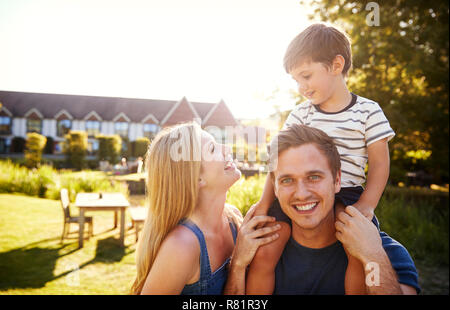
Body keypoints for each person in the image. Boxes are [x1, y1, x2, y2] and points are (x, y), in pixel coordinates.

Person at [247, 23, 396, 294]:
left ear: (336, 65)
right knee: (266, 250)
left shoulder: (368, 112)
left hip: (349, 194)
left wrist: (367, 205)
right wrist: (265, 201)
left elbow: (379, 164)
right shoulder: (302, 114)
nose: (302, 87)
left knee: (357, 255)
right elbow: (275, 161)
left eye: (306, 76)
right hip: (302, 187)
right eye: (296, 81)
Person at [258, 124, 419, 294]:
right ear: (275, 188)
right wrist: (238, 265)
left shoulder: (387, 255)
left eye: (314, 177)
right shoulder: (263, 251)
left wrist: (373, 257)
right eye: (287, 180)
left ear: (337, 180)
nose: (302, 194)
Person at [130, 122, 280, 295]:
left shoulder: (233, 218)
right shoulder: (182, 246)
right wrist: (237, 264)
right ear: (196, 179)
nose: (227, 149)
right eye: (212, 149)